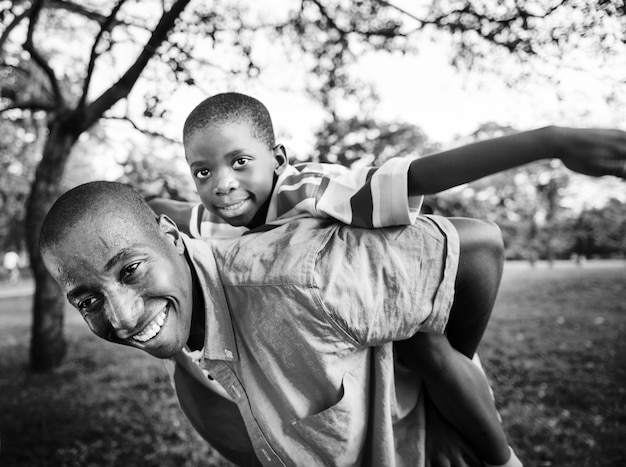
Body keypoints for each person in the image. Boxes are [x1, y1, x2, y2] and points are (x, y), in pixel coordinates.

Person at [152, 93, 517, 465]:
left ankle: (500, 459)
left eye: (240, 162)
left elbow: (412, 178)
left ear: (278, 160)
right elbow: (166, 211)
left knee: (428, 348)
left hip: (393, 310)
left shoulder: (311, 189)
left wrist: (549, 142)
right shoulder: (215, 219)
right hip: (333, 354)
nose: (222, 184)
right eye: (202, 172)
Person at [41, 181, 502, 466]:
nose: (122, 317)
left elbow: (478, 246)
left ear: (169, 238)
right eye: (88, 300)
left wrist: (445, 386)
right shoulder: (178, 318)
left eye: (130, 271)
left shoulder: (301, 280)